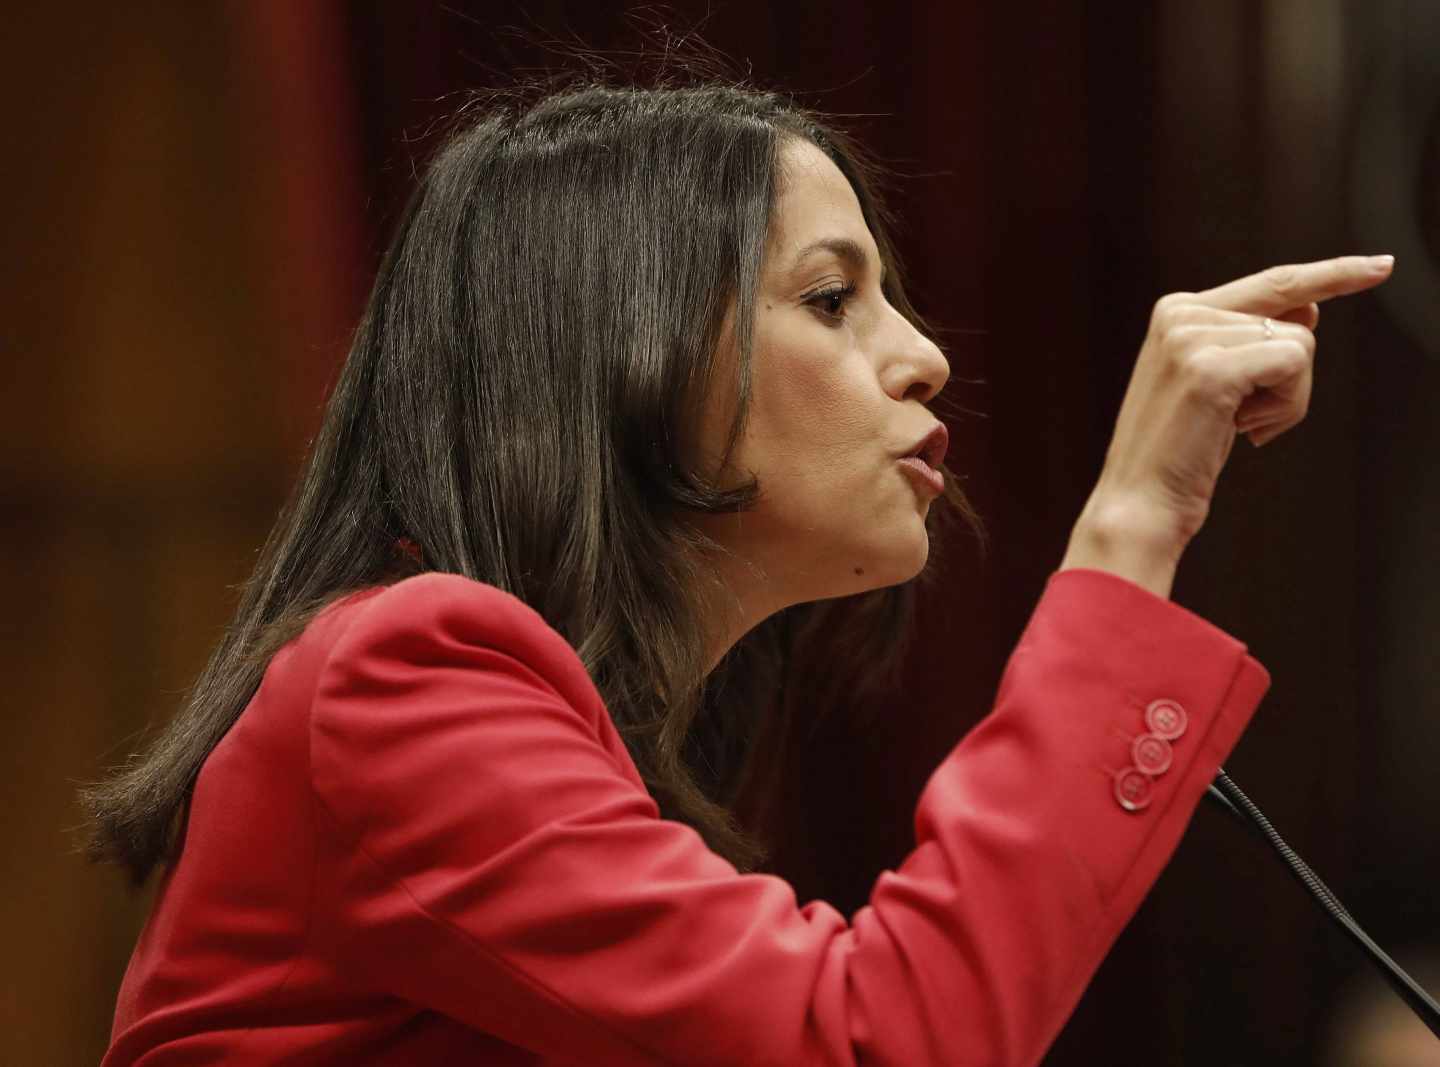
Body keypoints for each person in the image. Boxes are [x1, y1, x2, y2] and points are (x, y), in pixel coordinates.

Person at [80, 75, 1394, 1065]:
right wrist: (1135, 522)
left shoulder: (520, 721)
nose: (926, 355)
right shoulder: (402, 674)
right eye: (834, 299)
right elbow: (885, 1041)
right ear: (626, 349)